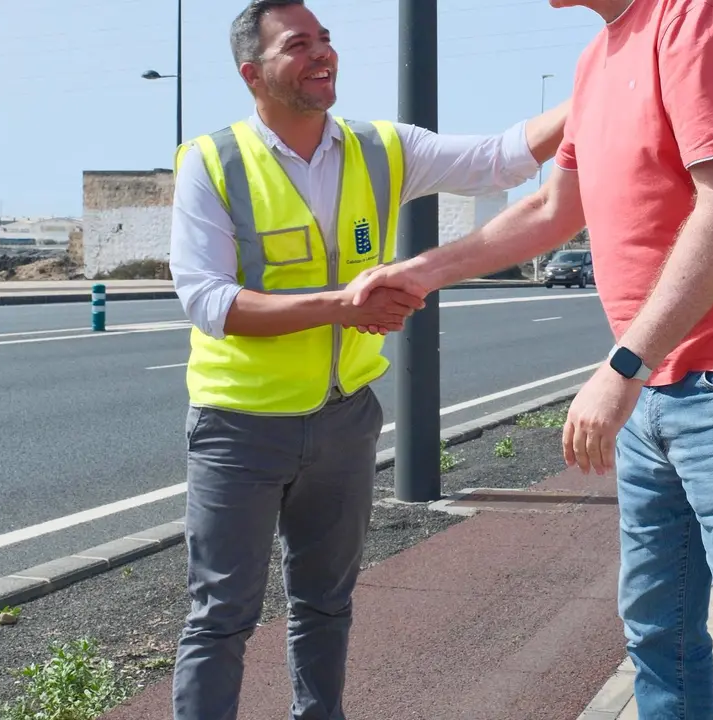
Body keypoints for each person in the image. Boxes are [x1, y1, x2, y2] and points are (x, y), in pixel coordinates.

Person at [349, 0, 713, 718]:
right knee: (658, 634)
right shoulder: (599, 59)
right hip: (657, 389)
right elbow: (550, 211)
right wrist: (424, 272)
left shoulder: (702, 20)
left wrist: (622, 364)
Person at [166, 1, 569, 718]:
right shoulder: (213, 162)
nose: (324, 52)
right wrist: (342, 308)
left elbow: (502, 156)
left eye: (326, 38)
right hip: (239, 428)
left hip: (345, 421)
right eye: (300, 44)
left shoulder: (381, 148)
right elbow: (208, 303)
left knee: (325, 604)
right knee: (221, 615)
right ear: (252, 74)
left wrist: (602, 85)